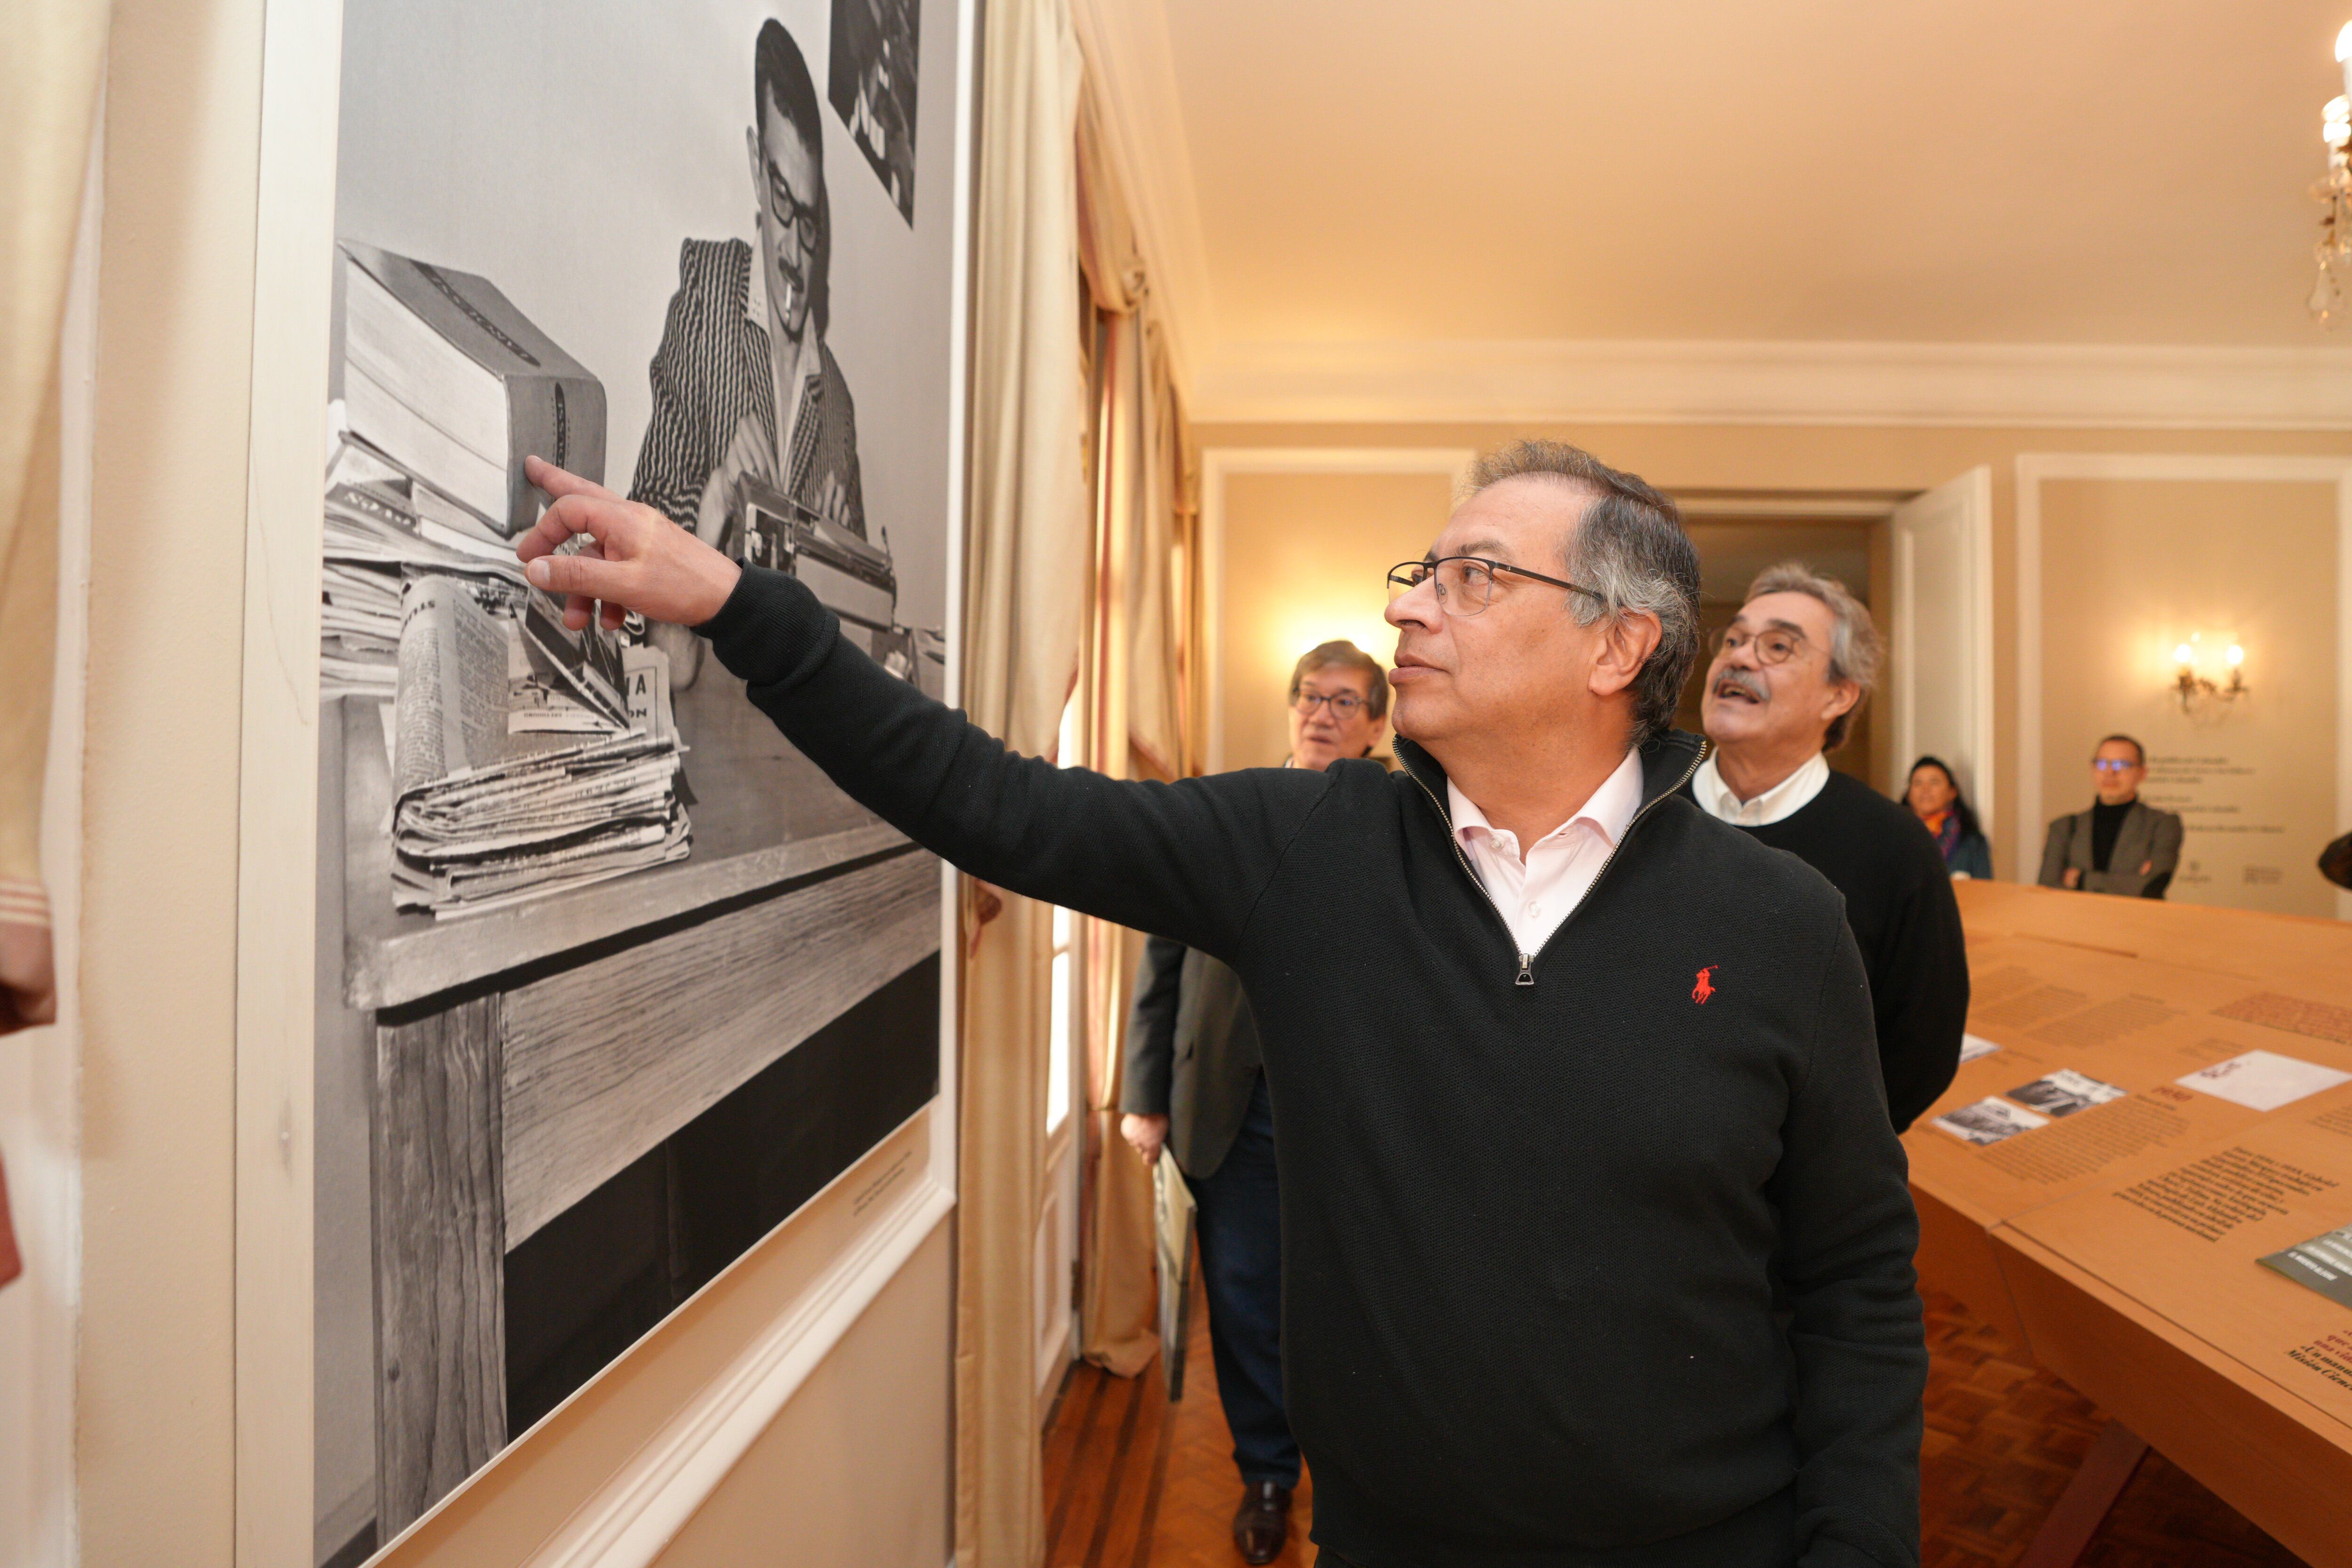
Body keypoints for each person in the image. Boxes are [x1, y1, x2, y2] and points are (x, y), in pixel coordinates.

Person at [516, 439, 1926, 1568]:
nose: (1405, 607)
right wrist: (737, 605)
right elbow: (1000, 804)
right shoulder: (1309, 849)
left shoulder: (1779, 923)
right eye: (1419, 571)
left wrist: (1857, 1542)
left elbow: (1854, 1276)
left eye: (1471, 579)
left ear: (1615, 646)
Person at [1120, 640, 1387, 1563]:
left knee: (1350, 1303)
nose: (1323, 713)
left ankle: (1356, 1480)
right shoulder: (1225, 811)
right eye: (1312, 697)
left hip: (1352, 1122)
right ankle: (1267, 1475)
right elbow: (1159, 961)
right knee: (1240, 1298)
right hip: (1228, 1110)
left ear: (1377, 727)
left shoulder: (1402, 828)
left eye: (1346, 702)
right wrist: (1143, 1095)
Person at [1687, 565, 1967, 1135]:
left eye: (1778, 647)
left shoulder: (1894, 846)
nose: (1740, 658)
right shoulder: (1633, 807)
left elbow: (1921, 1047)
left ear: (1838, 695)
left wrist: (1815, 1162)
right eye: (1735, 639)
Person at [628, 17, 866, 685]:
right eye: (782, 203)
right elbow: (646, 515)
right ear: (756, 169)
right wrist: (713, 508)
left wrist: (838, 565)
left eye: (809, 221)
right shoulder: (708, 293)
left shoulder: (839, 407)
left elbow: (853, 666)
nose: (793, 249)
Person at [2037, 736, 2183, 899]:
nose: (2110, 772)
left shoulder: (2163, 824)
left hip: (2138, 922)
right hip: (2075, 921)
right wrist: (2129, 882)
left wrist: (2081, 879)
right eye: (2102, 763)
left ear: (2142, 773)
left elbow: (2153, 885)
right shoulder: (2064, 827)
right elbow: (2047, 890)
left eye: (2122, 764)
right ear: (2093, 769)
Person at [1904, 756, 1993, 881]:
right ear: (1909, 794)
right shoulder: (1894, 837)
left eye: (1934, 782)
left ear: (1952, 792)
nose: (1925, 789)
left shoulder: (1972, 842)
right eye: (1918, 783)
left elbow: (1985, 891)